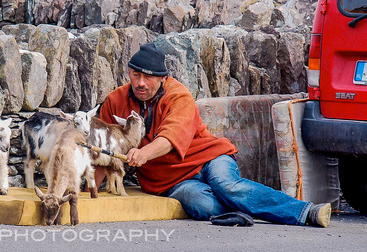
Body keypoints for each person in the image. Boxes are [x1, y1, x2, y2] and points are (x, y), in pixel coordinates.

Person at [98, 42, 331, 227]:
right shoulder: (114, 101)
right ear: (128, 72)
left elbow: (171, 137)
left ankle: (305, 212)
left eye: (148, 78)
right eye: (136, 75)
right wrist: (91, 187)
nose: (141, 83)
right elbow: (103, 146)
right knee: (202, 204)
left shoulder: (178, 95)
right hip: (172, 180)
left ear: (162, 78)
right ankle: (243, 211)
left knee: (227, 186)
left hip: (210, 157)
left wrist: (145, 153)